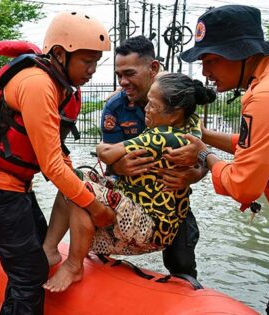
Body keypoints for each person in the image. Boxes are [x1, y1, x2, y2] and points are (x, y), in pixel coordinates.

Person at [170, 5, 269, 314]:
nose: (204, 72)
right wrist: (204, 135)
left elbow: (243, 185)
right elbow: (259, 147)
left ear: (241, 52)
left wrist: (203, 154)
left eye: (211, 60)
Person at [0, 12, 112, 315]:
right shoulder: (38, 85)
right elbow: (52, 166)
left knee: (39, 254)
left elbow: (55, 152)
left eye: (96, 62)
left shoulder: (58, 85)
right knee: (29, 273)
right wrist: (95, 207)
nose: (92, 70)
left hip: (12, 185)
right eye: (86, 61)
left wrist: (79, 182)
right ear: (58, 54)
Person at [43, 72, 216, 293]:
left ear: (174, 114)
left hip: (150, 224)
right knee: (80, 177)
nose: (146, 108)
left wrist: (101, 149)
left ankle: (73, 264)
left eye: (153, 105)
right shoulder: (191, 124)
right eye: (118, 74)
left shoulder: (161, 135)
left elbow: (106, 153)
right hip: (158, 216)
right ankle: (52, 249)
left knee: (76, 182)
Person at [99, 35, 206, 278]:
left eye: (130, 73)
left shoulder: (177, 95)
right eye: (119, 75)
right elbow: (109, 156)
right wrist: (119, 166)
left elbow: (200, 148)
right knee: (98, 247)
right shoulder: (114, 107)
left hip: (170, 199)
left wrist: (197, 173)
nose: (123, 82)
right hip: (130, 194)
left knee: (182, 264)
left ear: (153, 68)